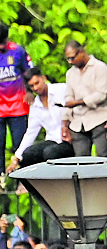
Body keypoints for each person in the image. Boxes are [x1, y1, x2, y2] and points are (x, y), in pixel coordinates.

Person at [10, 67, 72, 170]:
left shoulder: (62, 89)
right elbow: (31, 132)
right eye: (31, 86)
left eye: (37, 83)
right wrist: (17, 158)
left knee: (50, 153)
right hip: (52, 140)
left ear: (44, 78)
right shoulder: (35, 106)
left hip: (69, 139)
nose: (35, 88)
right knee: (28, 154)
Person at [63, 39, 107, 156]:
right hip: (77, 123)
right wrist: (64, 124)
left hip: (98, 118)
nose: (70, 62)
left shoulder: (100, 68)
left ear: (81, 52)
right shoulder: (70, 73)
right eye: (68, 59)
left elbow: (101, 95)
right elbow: (68, 97)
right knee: (81, 161)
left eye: (72, 58)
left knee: (103, 158)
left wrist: (78, 102)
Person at [0, 25, 30, 168]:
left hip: (18, 106)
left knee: (20, 146)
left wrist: (29, 91)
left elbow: (29, 72)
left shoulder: (18, 50)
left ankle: (23, 181)